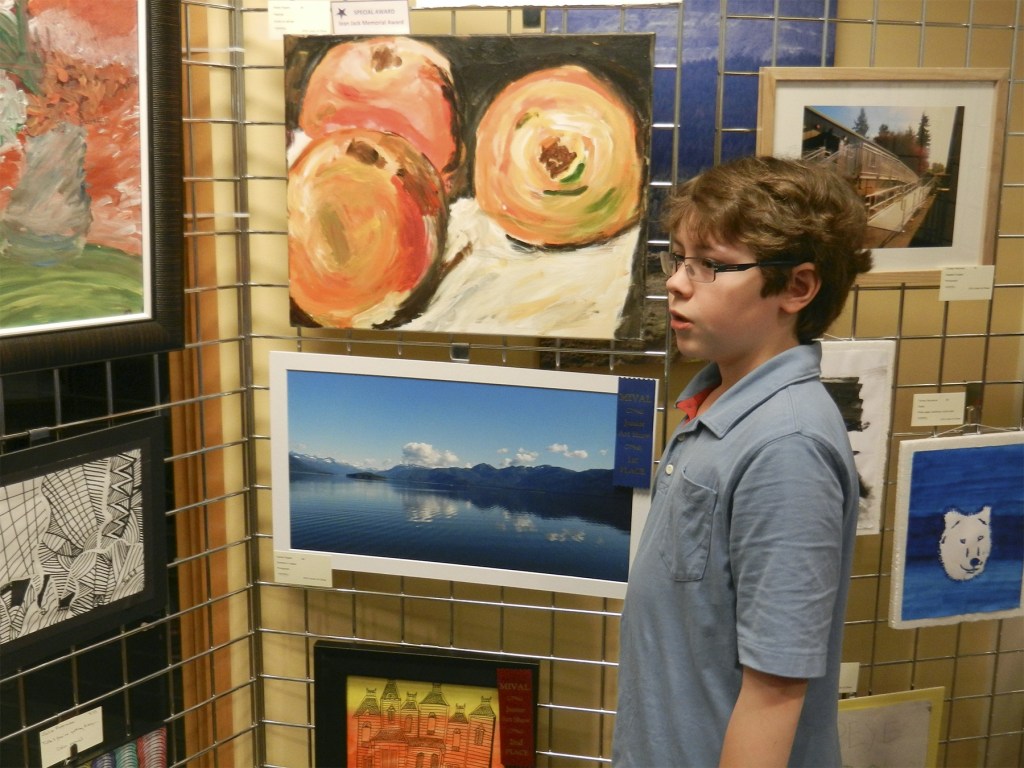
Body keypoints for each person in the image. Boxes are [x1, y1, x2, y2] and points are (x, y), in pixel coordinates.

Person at [612, 155, 873, 767]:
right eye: (678, 257)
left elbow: (775, 691)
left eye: (713, 266)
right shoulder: (718, 406)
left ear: (797, 287)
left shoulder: (787, 447)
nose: (677, 281)